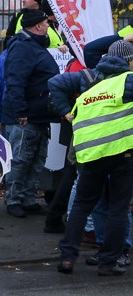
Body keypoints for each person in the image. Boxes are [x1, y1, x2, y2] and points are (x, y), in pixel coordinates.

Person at [56, 40, 133, 276]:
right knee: (118, 209)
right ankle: (107, 262)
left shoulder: (91, 81)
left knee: (81, 205)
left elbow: (55, 83)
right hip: (122, 152)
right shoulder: (128, 81)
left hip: (89, 152)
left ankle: (67, 258)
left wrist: (65, 112)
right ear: (129, 61)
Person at [0, 8, 60, 218]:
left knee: (36, 158)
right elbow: (15, 81)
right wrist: (21, 111)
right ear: (38, 26)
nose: (48, 26)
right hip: (25, 116)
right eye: (46, 23)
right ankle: (15, 198)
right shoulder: (24, 47)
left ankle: (28, 197)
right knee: (21, 158)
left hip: (38, 114)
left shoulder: (32, 46)